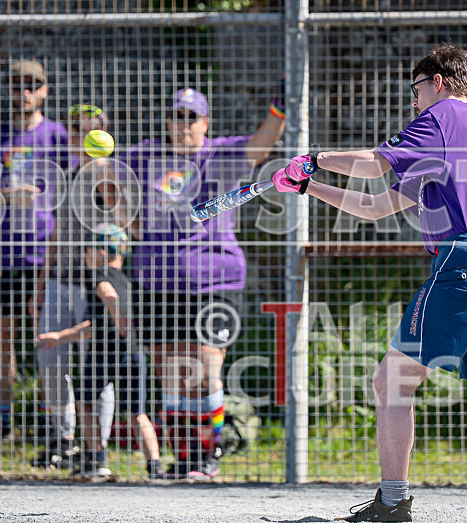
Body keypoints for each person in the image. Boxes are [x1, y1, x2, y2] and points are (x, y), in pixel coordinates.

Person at [271, 43, 467, 523]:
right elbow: (376, 205)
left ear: (438, 82)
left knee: (391, 380)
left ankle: (393, 499)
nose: (413, 100)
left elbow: (376, 162)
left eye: (416, 89)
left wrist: (315, 158)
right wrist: (308, 186)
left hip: (464, 262)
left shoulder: (444, 118)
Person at [123, 86, 285, 479]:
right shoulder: (145, 156)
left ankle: (208, 454)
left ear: (205, 123)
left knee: (206, 368)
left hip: (215, 278)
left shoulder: (222, 154)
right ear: (167, 121)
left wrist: (279, 106)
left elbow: (262, 145)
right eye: (177, 115)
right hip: (156, 280)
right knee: (170, 372)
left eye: (191, 117)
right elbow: (107, 178)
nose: (183, 124)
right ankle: (185, 457)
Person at [0, 60, 68, 442]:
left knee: (48, 338)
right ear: (8, 91)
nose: (24, 92)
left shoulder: (59, 136)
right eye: (17, 86)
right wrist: (10, 196)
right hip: (1, 254)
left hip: (45, 256)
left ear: (45, 91)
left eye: (32, 85)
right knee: (1, 338)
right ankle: (0, 421)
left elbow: (74, 193)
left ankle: (53, 426)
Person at [28, 104, 120, 469]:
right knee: (50, 361)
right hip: (57, 280)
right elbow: (55, 232)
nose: (82, 138)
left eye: (90, 131)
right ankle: (64, 440)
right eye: (77, 131)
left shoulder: (110, 176)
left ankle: (97, 449)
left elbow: (120, 220)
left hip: (94, 285)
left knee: (97, 367)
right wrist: (40, 283)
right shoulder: (64, 176)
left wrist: (101, 172)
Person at [36, 224, 161, 479]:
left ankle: (97, 459)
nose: (85, 255)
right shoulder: (129, 281)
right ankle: (156, 467)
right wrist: (59, 337)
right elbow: (94, 326)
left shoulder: (99, 275)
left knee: (84, 402)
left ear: (102, 252)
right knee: (137, 413)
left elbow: (108, 295)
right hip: (133, 353)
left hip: (104, 354)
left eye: (88, 250)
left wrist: (118, 317)